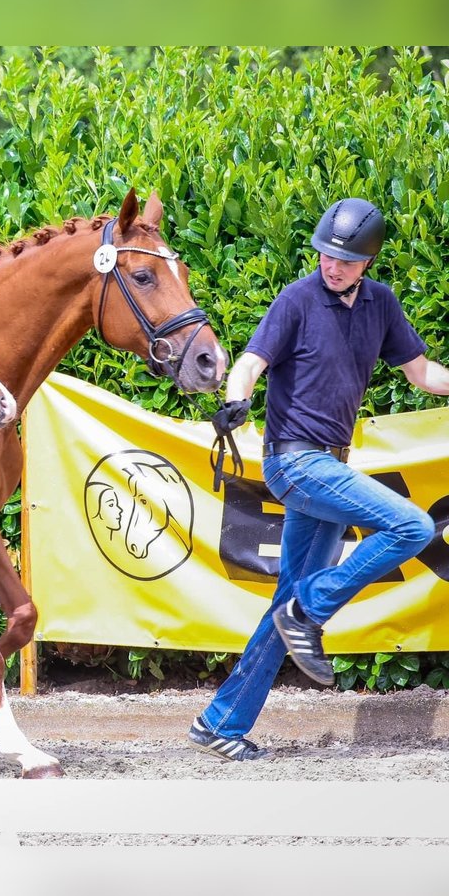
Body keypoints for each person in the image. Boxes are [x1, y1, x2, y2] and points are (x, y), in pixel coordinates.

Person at [189, 197, 449, 761]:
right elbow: (251, 363)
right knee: (409, 526)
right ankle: (311, 607)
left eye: (346, 260)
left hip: (332, 463)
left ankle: (221, 723)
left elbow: (422, 373)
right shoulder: (297, 299)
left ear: (368, 261)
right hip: (294, 462)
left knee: (285, 604)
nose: (332, 266)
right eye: (327, 255)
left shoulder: (380, 304)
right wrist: (237, 399)